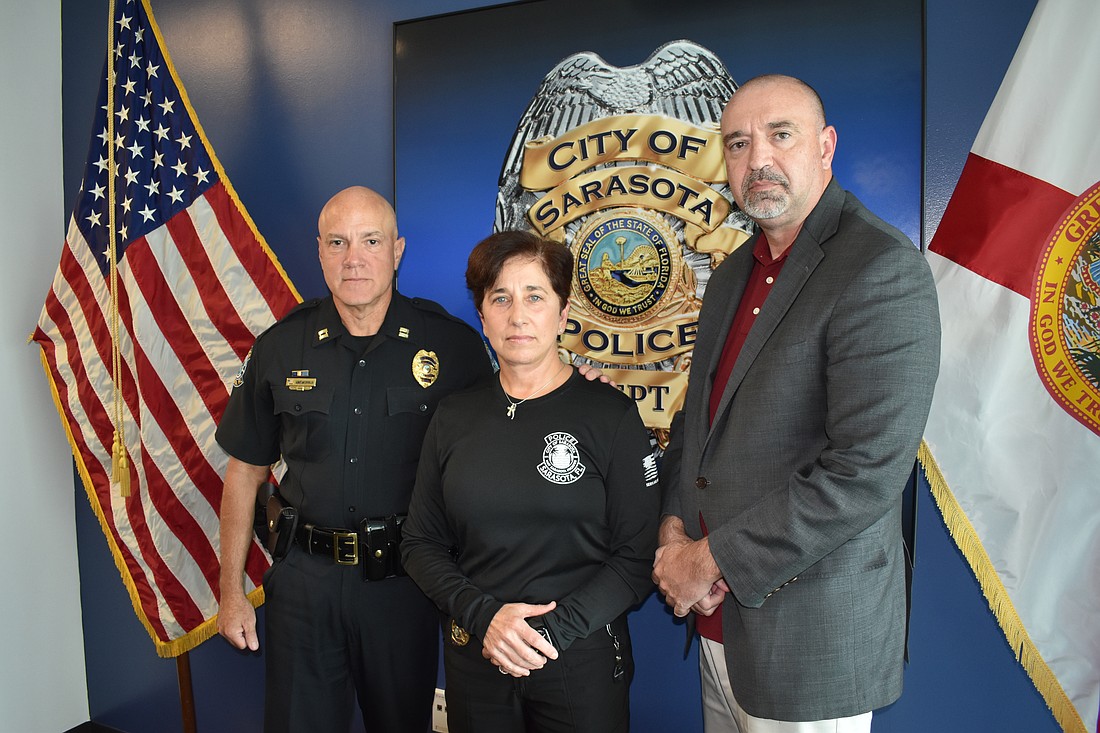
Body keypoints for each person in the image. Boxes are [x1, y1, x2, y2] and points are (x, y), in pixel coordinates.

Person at [651, 74, 941, 732]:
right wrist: (672, 529)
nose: (759, 160)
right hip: (718, 630)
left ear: (826, 145)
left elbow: (863, 471)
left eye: (781, 136)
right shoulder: (730, 275)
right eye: (738, 143)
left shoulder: (880, 268)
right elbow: (695, 424)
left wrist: (706, 559)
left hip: (809, 643)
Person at [215, 186, 494, 732]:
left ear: (398, 250)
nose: (354, 258)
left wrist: (582, 389)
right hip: (303, 586)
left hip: (404, 588)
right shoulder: (281, 346)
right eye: (338, 242)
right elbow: (245, 472)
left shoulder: (453, 349)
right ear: (319, 251)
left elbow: (509, 432)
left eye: (371, 241)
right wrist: (230, 595)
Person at [401, 230, 660, 733]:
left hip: (579, 660)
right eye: (501, 298)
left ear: (563, 314)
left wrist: (548, 632)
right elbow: (420, 543)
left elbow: (636, 556)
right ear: (482, 316)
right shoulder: (454, 417)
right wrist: (487, 619)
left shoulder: (610, 415)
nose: (517, 315)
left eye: (535, 296)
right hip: (479, 656)